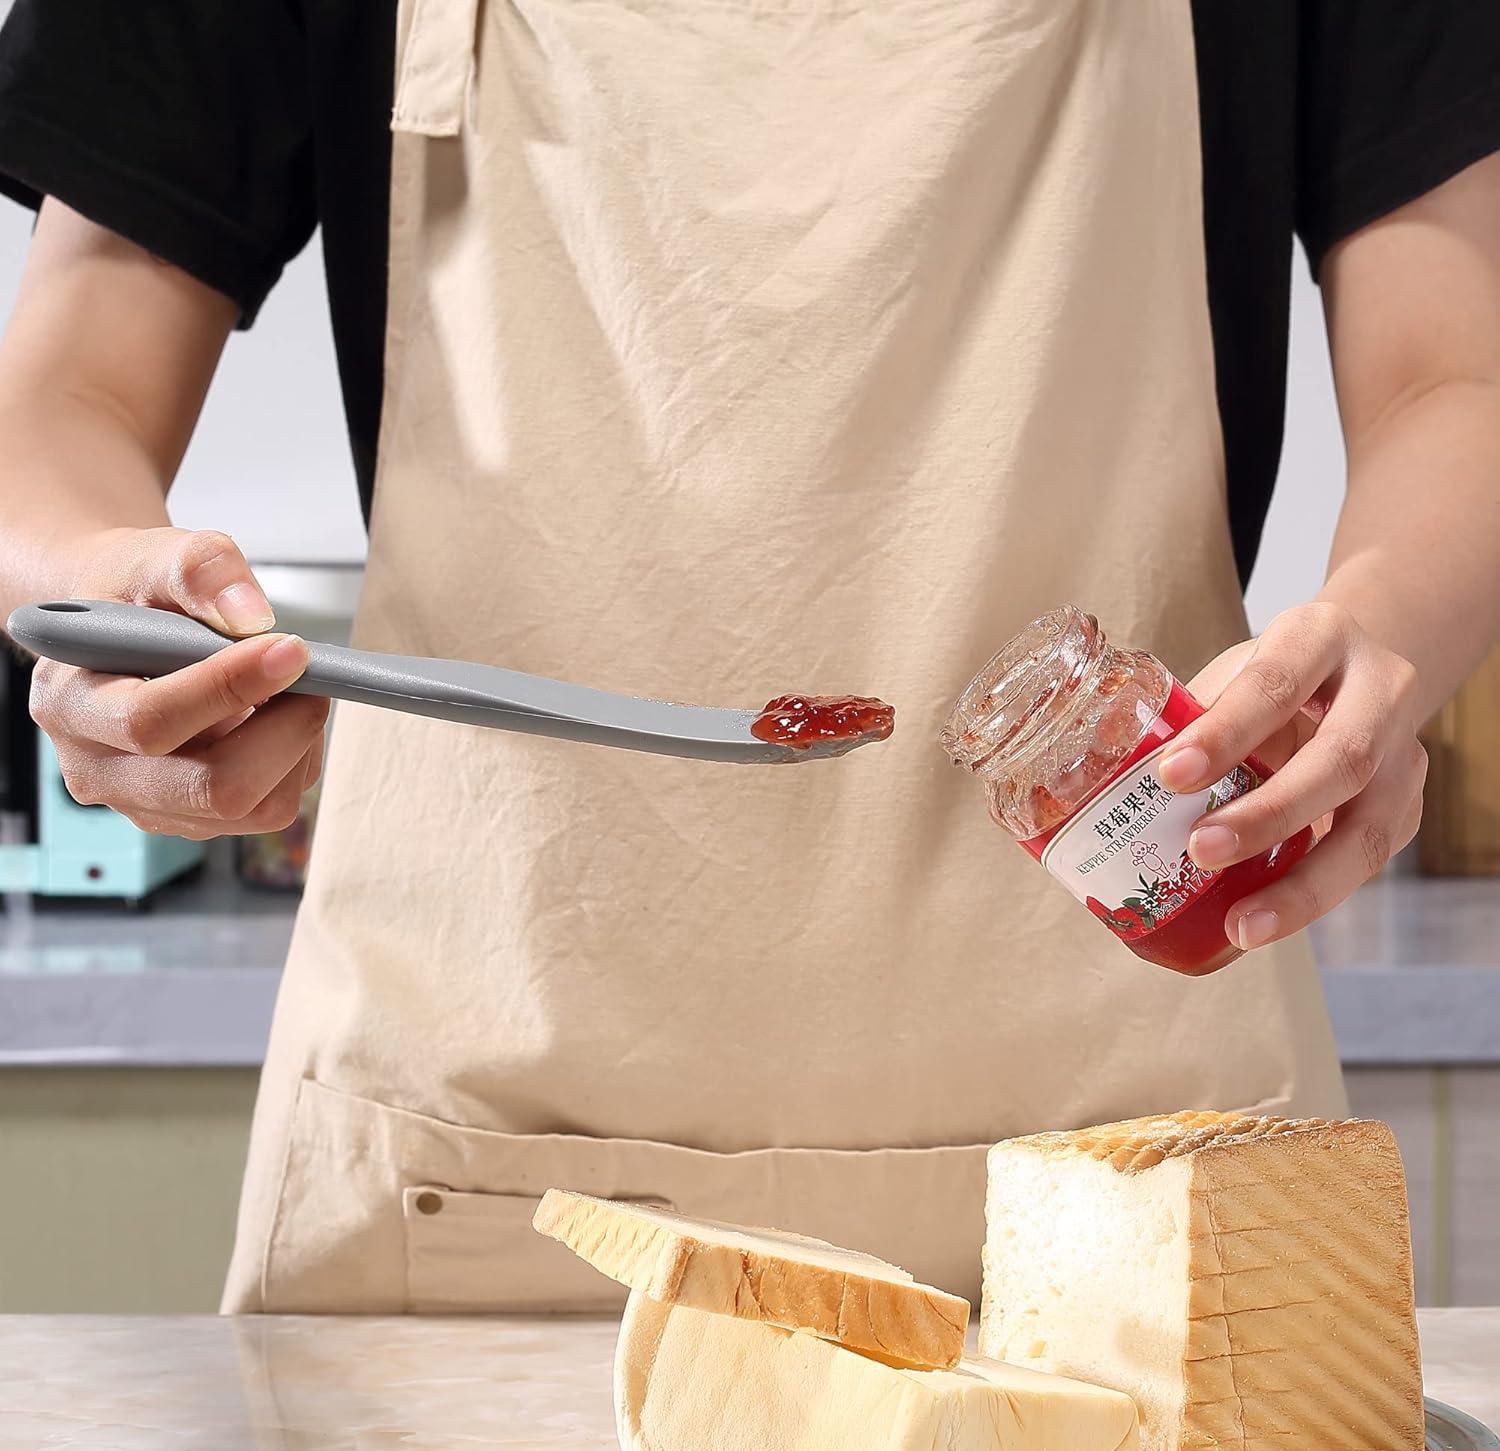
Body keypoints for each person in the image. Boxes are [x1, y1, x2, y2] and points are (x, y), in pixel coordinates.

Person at [0, 0, 1497, 1313]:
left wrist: (1389, 632)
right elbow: (62, 400)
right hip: (473, 1166)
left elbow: (1457, 377)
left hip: (1137, 1168)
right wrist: (109, 608)